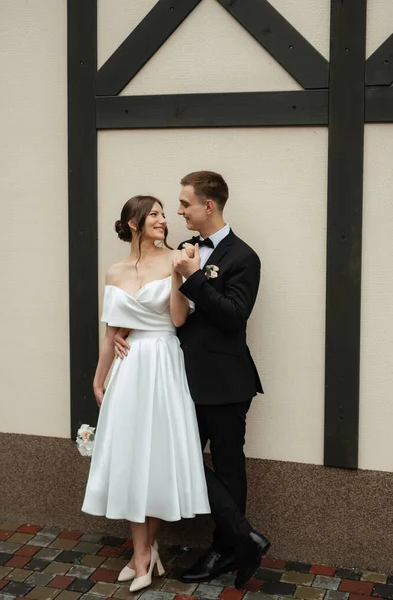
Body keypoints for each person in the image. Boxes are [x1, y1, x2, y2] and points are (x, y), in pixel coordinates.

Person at [114, 171, 271, 589]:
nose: (178, 210)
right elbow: (166, 309)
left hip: (225, 382)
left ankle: (228, 547)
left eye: (184, 204)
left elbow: (234, 317)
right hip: (175, 380)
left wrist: (196, 276)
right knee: (175, 459)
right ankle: (243, 539)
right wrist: (129, 328)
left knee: (228, 467)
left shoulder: (244, 257)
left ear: (208, 206)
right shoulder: (183, 249)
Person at [81, 195, 210, 593]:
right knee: (133, 457)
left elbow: (177, 318)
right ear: (133, 223)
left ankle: (142, 555)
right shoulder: (114, 271)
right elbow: (110, 334)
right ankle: (144, 553)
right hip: (128, 368)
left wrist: (177, 275)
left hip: (164, 363)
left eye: (163, 213)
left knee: (155, 458)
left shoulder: (178, 259)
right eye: (153, 213)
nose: (163, 219)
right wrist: (99, 379)